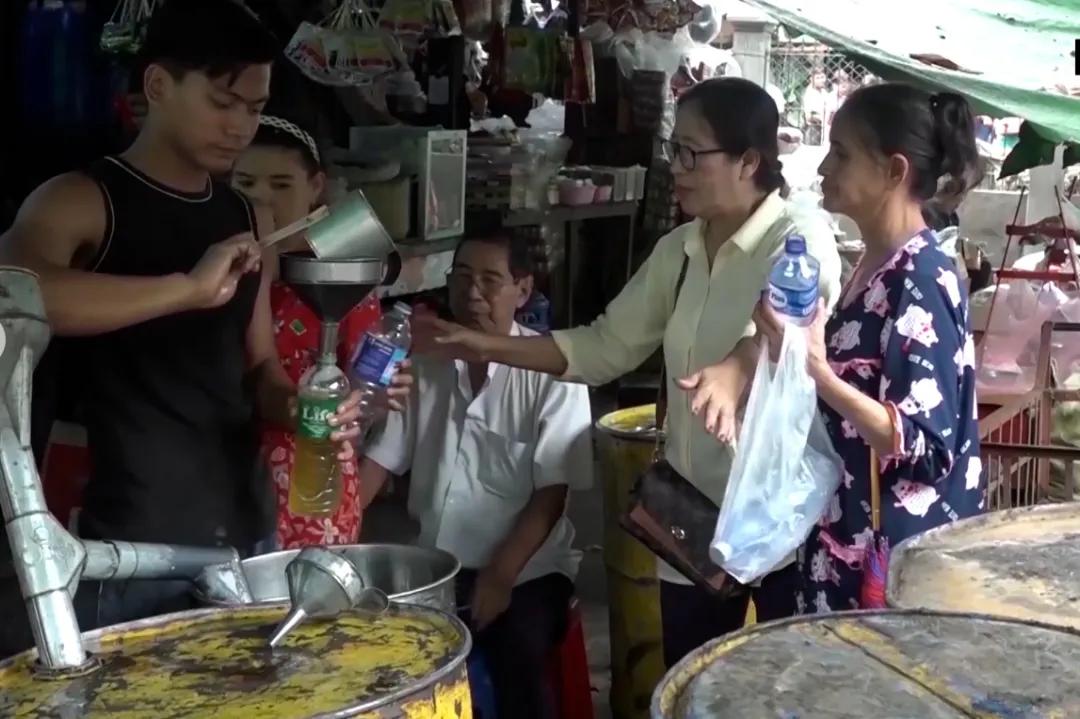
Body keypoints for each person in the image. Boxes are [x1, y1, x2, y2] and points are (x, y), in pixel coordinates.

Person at [0, 0, 405, 651]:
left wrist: (297, 403)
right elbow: (18, 292)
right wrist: (185, 289)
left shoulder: (240, 217)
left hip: (244, 536)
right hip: (128, 545)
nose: (241, 125)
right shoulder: (83, 199)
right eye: (224, 102)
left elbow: (258, 367)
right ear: (159, 86)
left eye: (254, 105)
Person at [417, 77, 843, 668]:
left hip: (780, 520)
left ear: (749, 160)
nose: (679, 168)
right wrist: (485, 345)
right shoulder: (679, 251)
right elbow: (603, 349)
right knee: (692, 683)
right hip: (693, 520)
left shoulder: (798, 238)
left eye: (693, 154)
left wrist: (737, 365)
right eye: (676, 151)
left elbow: (788, 324)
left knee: (774, 690)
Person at [752, 83, 985, 613]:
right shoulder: (875, 268)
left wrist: (818, 373)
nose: (823, 168)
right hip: (844, 542)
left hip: (891, 570)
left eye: (842, 153)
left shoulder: (920, 278)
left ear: (894, 172)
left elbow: (926, 447)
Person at [359, 228, 594, 719]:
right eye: (462, 277)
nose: (471, 293)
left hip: (528, 569)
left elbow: (552, 493)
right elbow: (381, 460)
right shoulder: (424, 361)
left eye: (490, 280)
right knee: (379, 652)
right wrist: (333, 533)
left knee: (518, 655)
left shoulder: (555, 371)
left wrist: (501, 574)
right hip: (435, 566)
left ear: (523, 290)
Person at [232, 110, 385, 548]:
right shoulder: (221, 269)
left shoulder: (343, 271)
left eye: (281, 186)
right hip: (221, 475)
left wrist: (371, 398)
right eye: (245, 184)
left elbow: (371, 393)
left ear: (315, 188)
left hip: (312, 484)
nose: (262, 201)